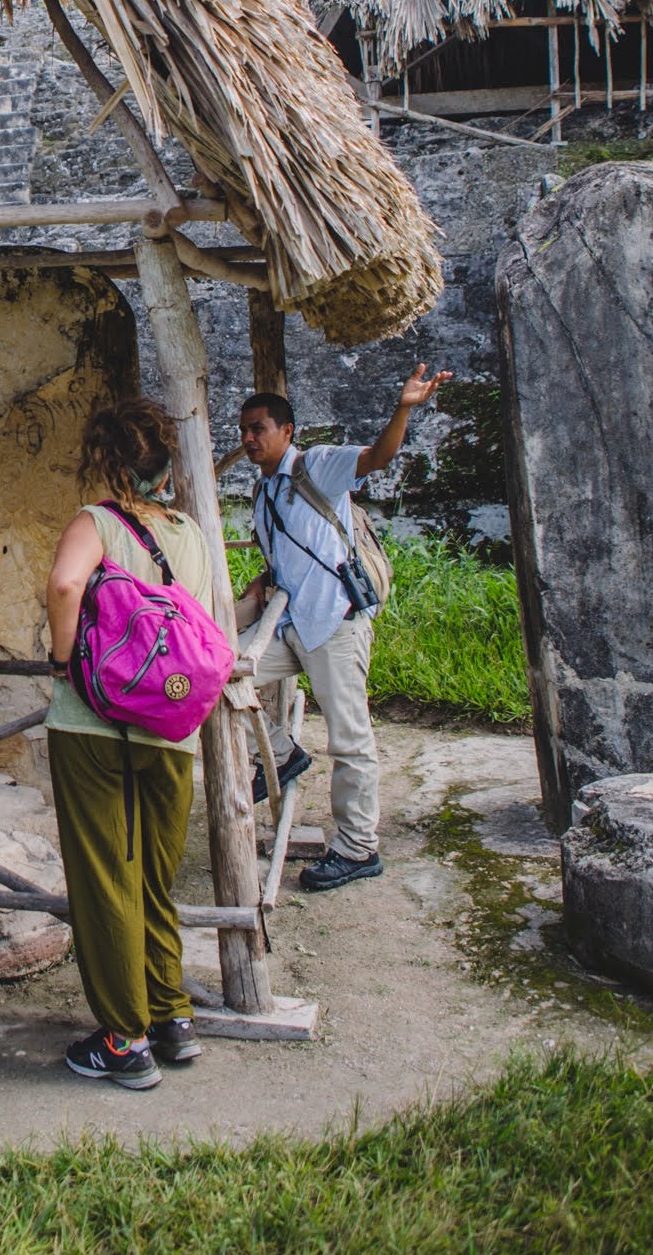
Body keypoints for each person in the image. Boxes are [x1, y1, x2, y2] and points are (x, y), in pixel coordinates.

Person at [43, 397, 214, 1091]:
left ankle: (123, 1038)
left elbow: (64, 585)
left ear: (107, 462)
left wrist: (62, 659)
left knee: (104, 875)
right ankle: (172, 1015)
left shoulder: (96, 523)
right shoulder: (193, 535)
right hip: (172, 726)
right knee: (153, 876)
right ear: (164, 465)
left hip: (93, 721)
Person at [238, 366, 450, 892]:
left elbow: (378, 458)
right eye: (242, 430)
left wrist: (403, 407)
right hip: (289, 625)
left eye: (258, 428)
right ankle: (283, 752)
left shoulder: (319, 466)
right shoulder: (263, 494)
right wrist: (258, 588)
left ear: (286, 432)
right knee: (219, 676)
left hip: (334, 623)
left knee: (350, 740)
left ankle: (358, 849)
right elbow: (284, 559)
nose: (248, 439)